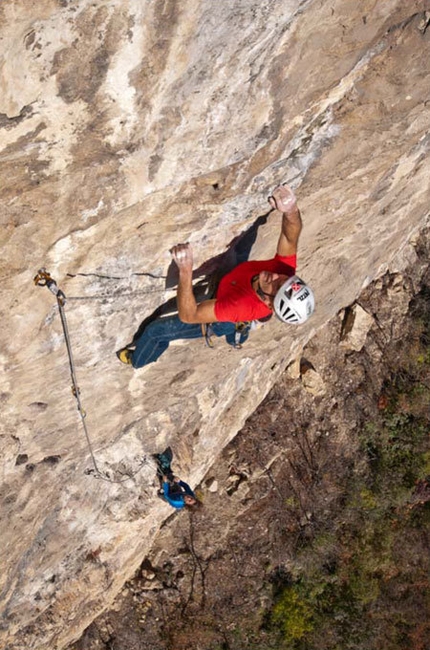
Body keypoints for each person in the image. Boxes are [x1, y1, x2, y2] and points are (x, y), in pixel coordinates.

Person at [117, 185, 314, 368]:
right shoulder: (283, 273)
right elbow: (290, 236)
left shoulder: (238, 306)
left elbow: (189, 315)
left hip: (226, 316)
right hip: (232, 285)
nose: (276, 275)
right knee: (240, 248)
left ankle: (138, 360)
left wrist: (185, 270)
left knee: (156, 332)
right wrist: (290, 210)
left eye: (277, 285)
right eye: (284, 279)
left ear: (269, 302)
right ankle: (241, 332)